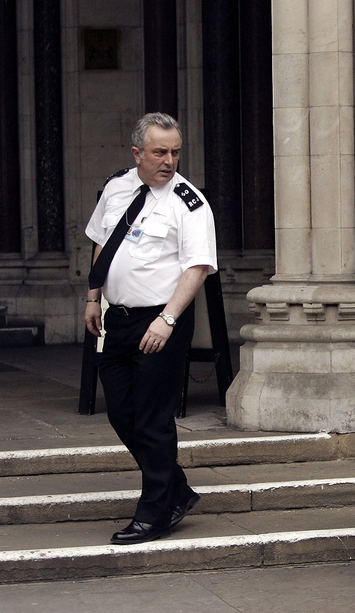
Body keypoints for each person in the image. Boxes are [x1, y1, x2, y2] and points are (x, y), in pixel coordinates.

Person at [84, 112, 217, 545]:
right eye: (159, 152)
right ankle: (175, 489)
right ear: (137, 153)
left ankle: (155, 510)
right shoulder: (117, 187)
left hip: (162, 319)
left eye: (175, 151)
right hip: (117, 318)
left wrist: (168, 319)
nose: (169, 160)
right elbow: (103, 243)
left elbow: (197, 268)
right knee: (123, 412)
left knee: (154, 419)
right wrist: (92, 297)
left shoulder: (189, 202)